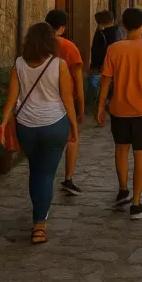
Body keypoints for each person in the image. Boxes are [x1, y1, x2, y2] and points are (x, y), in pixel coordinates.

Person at [0, 22, 78, 244]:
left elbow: (11, 99)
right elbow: (67, 99)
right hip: (54, 124)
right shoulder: (59, 65)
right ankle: (39, 224)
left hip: (27, 126)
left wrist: (2, 125)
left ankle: (39, 213)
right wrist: (74, 125)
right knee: (45, 175)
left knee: (36, 171)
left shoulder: (19, 65)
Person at [97, 7, 142, 220]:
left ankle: (123, 189)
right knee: (141, 154)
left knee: (121, 150)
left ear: (123, 25)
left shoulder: (114, 49)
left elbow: (106, 80)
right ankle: (136, 203)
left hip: (119, 108)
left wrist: (100, 107)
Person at [44, 10, 85, 197]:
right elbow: (78, 80)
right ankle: (68, 178)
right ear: (62, 27)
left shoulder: (37, 45)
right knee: (72, 138)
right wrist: (81, 107)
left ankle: (45, 175)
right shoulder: (69, 47)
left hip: (42, 99)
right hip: (65, 100)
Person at [88, 10, 120, 111]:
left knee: (98, 88)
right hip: (111, 67)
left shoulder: (102, 34)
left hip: (100, 66)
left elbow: (99, 51)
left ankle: (100, 106)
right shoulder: (118, 32)